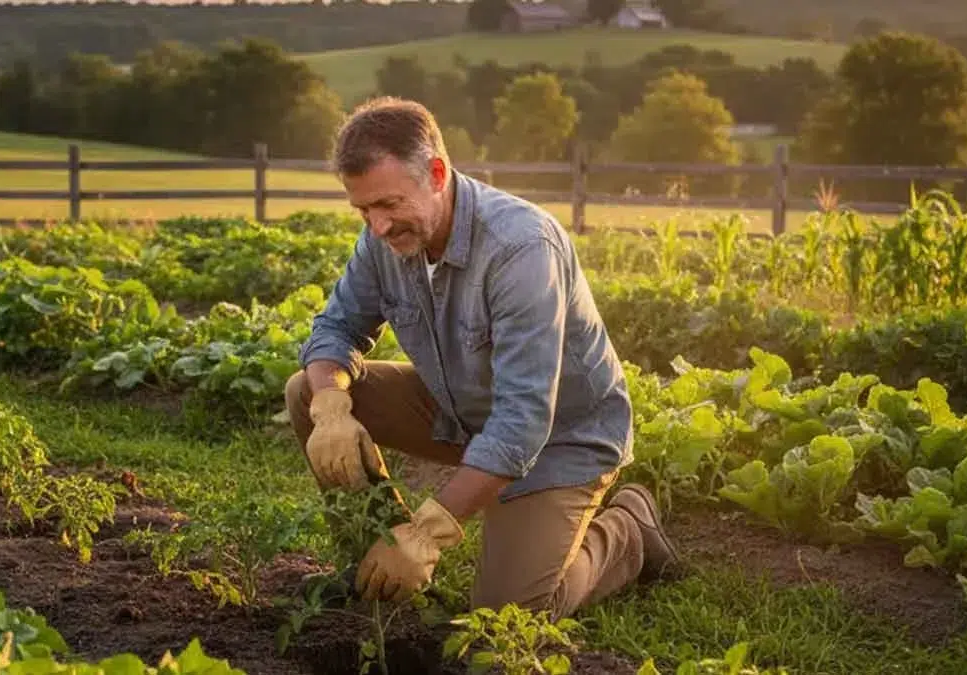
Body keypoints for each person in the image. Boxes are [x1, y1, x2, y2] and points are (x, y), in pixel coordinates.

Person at [283, 96, 681, 620]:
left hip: (560, 439)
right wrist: (331, 406)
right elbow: (337, 327)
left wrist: (428, 532)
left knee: (503, 615)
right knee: (308, 391)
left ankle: (627, 532)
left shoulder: (521, 248)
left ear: (437, 174)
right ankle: (376, 569)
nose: (377, 226)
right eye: (364, 210)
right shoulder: (385, 236)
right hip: (463, 407)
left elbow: (522, 422)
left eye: (389, 205)